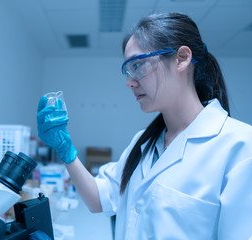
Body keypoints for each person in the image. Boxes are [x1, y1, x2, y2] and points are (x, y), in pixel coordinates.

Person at [37, 12, 252, 240]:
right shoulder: (145, 144)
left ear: (181, 58)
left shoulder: (239, 147)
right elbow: (99, 198)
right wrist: (66, 150)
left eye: (138, 65)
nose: (130, 82)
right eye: (128, 70)